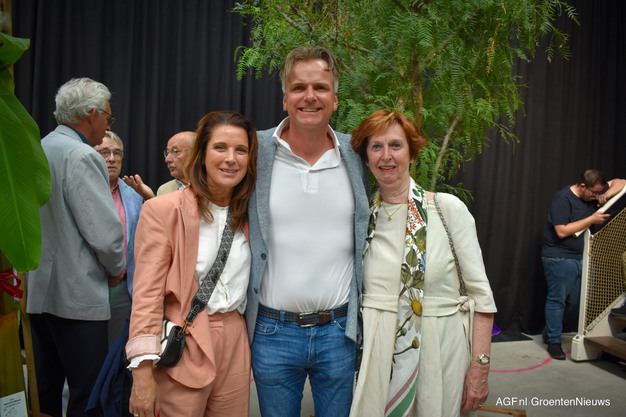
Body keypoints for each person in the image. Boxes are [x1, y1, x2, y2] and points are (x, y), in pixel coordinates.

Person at [245, 45, 369, 417]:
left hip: (339, 332)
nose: (310, 96)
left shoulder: (357, 155)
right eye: (299, 87)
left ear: (335, 99)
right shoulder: (255, 151)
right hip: (272, 333)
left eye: (320, 88)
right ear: (285, 98)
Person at [349, 110, 497, 416]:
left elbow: (481, 297)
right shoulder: (361, 219)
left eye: (396, 145)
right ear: (366, 158)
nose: (386, 156)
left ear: (412, 153)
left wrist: (480, 368)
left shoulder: (447, 209)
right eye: (376, 147)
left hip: (440, 352)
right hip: (376, 357)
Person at [126, 111, 257, 417]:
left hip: (235, 337)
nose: (231, 159)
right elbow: (147, 295)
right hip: (185, 338)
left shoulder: (252, 213)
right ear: (202, 154)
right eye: (220, 147)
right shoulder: (163, 210)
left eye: (241, 150)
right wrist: (142, 374)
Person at [26, 78, 126, 417]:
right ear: (92, 114)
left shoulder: (40, 146)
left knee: (45, 391)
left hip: (39, 293)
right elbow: (105, 234)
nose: (108, 126)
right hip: (77, 298)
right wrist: (116, 269)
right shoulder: (82, 155)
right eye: (108, 118)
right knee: (88, 393)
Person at [542, 169, 626, 359]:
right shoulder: (563, 198)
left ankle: (552, 329)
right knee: (557, 300)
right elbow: (562, 231)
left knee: (578, 303)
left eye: (598, 192)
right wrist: (591, 219)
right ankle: (554, 341)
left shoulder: (597, 192)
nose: (596, 197)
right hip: (560, 257)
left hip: (584, 257)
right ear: (582, 186)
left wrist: (606, 194)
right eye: (594, 193)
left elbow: (622, 182)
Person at [95, 131, 144, 346]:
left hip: (123, 287)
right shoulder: (80, 189)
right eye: (104, 152)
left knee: (117, 349)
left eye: (117, 153)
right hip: (90, 283)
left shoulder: (133, 194)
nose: (112, 159)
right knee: (88, 351)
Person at [122, 131, 196, 199]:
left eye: (175, 151)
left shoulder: (203, 187)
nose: (167, 159)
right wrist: (150, 198)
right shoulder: (164, 190)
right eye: (167, 152)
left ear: (195, 153)